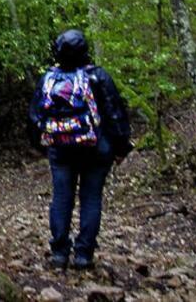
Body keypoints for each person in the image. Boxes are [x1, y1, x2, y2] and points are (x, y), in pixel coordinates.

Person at [29, 29, 132, 270]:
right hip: (96, 149)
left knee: (62, 198)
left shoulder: (49, 79)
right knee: (91, 198)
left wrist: (42, 146)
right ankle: (84, 255)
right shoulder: (98, 76)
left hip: (60, 149)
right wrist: (121, 147)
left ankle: (59, 254)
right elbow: (115, 113)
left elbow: (34, 117)